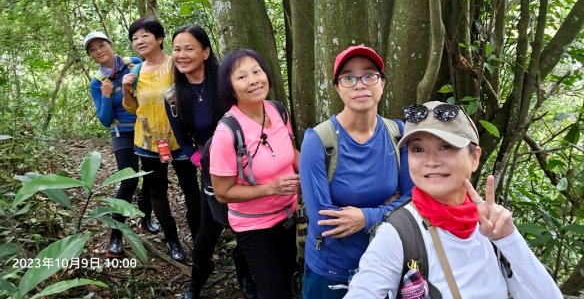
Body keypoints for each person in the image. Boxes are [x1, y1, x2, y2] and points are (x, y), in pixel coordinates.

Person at [344, 101, 563, 298]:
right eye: (418, 149)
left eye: (445, 147)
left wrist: (508, 239)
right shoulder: (399, 234)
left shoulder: (490, 225)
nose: (431, 161)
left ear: (475, 157)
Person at [299, 45, 414, 299]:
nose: (360, 84)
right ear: (337, 87)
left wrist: (365, 217)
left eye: (369, 75)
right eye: (349, 77)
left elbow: (413, 199)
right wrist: (388, 210)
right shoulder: (319, 141)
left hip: (387, 262)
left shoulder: (398, 134)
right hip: (333, 270)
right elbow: (322, 222)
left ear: (382, 83)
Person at [162, 25, 256, 299]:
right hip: (212, 170)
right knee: (208, 232)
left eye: (189, 48)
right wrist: (200, 161)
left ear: (205, 52)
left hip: (247, 164)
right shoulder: (172, 96)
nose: (182, 55)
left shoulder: (227, 84)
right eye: (177, 49)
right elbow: (183, 139)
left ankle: (245, 273)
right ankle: (195, 285)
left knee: (248, 224)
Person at [210, 49, 299, 299]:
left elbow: (290, 153)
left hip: (290, 216)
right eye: (242, 77)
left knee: (291, 280)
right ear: (230, 88)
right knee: (273, 293)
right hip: (255, 227)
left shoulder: (277, 110)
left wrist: (321, 174)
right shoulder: (227, 133)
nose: (253, 80)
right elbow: (222, 192)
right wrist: (271, 188)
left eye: (257, 71)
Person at [122, 18, 201, 262]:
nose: (139, 41)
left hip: (180, 140)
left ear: (159, 38)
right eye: (134, 38)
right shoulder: (135, 72)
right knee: (157, 192)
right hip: (147, 141)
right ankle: (172, 240)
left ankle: (199, 238)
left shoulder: (175, 65)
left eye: (144, 35)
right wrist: (126, 89)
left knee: (191, 190)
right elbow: (133, 109)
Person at [84, 31, 159, 258]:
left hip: (145, 127)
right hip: (122, 132)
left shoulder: (134, 64)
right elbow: (105, 120)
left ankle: (146, 216)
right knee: (128, 178)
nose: (99, 51)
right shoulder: (98, 83)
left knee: (151, 175)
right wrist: (106, 96)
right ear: (91, 56)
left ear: (110, 44)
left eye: (101, 45)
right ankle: (116, 234)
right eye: (93, 49)